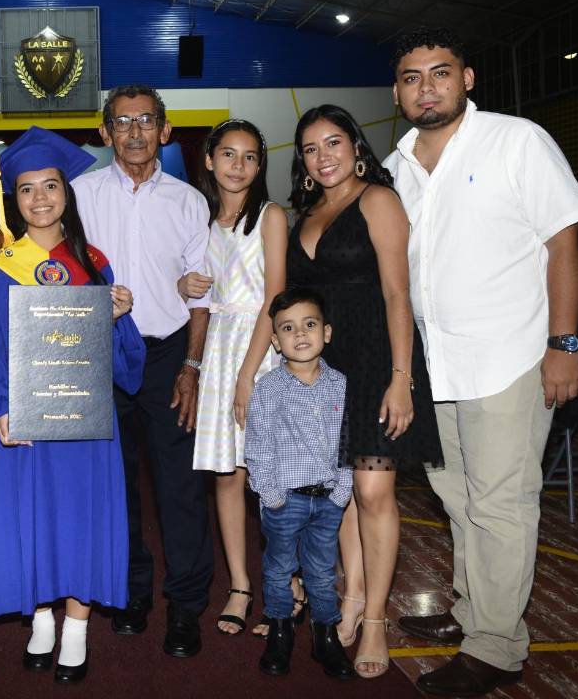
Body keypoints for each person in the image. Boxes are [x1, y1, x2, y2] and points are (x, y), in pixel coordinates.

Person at [386, 28, 578, 697]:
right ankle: (475, 614)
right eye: (413, 78)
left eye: (439, 73)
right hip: (436, 365)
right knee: (456, 500)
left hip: (510, 357)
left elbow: (564, 241)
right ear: (398, 91)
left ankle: (497, 649)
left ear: (467, 79)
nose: (427, 87)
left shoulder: (517, 140)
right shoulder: (395, 167)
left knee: (502, 505)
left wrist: (563, 344)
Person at [0, 85, 213, 658]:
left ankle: (180, 607)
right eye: (122, 122)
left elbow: (195, 293)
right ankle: (120, 598)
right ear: (104, 134)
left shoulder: (184, 203)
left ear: (164, 128)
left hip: (144, 362)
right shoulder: (57, 208)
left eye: (145, 120)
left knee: (170, 490)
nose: (41, 195)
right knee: (105, 496)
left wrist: (169, 350)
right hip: (46, 391)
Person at [0, 127, 146, 684]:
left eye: (50, 186)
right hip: (19, 417)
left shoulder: (93, 261)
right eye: (25, 189)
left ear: (67, 192)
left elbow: (122, 361)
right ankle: (40, 617)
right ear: (10, 199)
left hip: (84, 421)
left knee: (81, 516)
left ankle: (77, 627)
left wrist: (117, 316)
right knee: (25, 515)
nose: (40, 198)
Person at [286, 103, 440, 678]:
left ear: (355, 145)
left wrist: (402, 380)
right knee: (342, 495)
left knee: (374, 492)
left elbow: (399, 295)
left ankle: (374, 618)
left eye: (333, 143)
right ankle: (349, 599)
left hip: (377, 361)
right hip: (324, 371)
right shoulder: (306, 214)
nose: (323, 156)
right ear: (302, 162)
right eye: (310, 148)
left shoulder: (378, 199)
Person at [188, 120, 290, 636]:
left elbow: (276, 297)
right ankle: (240, 584)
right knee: (227, 477)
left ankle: (285, 583)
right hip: (218, 349)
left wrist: (249, 374)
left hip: (261, 348)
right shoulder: (200, 218)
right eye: (228, 154)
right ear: (209, 159)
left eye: (249, 157)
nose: (237, 165)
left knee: (273, 478)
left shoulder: (271, 216)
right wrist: (184, 281)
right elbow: (193, 287)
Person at [245, 288, 355, 680]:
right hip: (284, 500)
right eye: (288, 328)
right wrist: (271, 495)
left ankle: (325, 636)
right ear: (275, 341)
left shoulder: (340, 384)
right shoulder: (269, 387)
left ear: (326, 332)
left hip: (328, 499)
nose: (300, 334)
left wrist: (343, 489)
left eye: (309, 325)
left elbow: (347, 442)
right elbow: (258, 444)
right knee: (278, 569)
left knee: (322, 573)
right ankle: (279, 631)